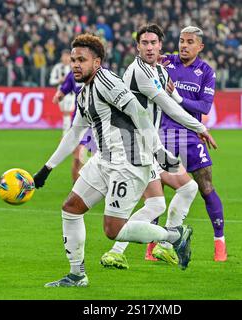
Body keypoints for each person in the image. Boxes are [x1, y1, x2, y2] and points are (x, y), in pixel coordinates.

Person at [33, 34, 194, 288]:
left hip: (129, 162)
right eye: (73, 60)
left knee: (113, 229)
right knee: (71, 209)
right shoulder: (84, 93)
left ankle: (174, 235)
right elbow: (74, 133)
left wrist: (158, 151)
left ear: (96, 62)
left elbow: (138, 112)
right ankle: (77, 275)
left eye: (81, 60)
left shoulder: (106, 80)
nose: (75, 64)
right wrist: (45, 170)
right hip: (104, 160)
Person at [100, 24, 217, 269]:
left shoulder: (160, 72)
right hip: (132, 146)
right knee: (155, 202)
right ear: (137, 47)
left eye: (154, 43)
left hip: (147, 145)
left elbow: (169, 102)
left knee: (183, 190)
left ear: (161, 46)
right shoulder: (138, 71)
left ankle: (158, 246)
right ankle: (129, 248)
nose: (150, 47)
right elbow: (169, 105)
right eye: (145, 43)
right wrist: (200, 128)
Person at [161, 26, 227, 262]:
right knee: (153, 189)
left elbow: (204, 107)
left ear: (200, 47)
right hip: (164, 135)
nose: (184, 45)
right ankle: (153, 245)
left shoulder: (206, 72)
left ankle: (220, 242)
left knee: (206, 187)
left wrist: (178, 97)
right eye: (181, 41)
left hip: (190, 136)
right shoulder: (165, 62)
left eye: (190, 42)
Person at [52, 70, 94, 183]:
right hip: (79, 122)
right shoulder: (73, 74)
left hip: (98, 122)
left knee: (99, 158)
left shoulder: (103, 73)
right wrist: (59, 95)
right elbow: (65, 88)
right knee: (78, 156)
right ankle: (77, 190)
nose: (76, 63)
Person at [50, 50, 74, 136]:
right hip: (60, 93)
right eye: (64, 56)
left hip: (71, 93)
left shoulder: (74, 66)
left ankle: (65, 134)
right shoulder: (57, 67)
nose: (66, 58)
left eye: (67, 56)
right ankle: (67, 132)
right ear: (61, 57)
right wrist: (59, 80)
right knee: (65, 112)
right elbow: (51, 81)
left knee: (67, 112)